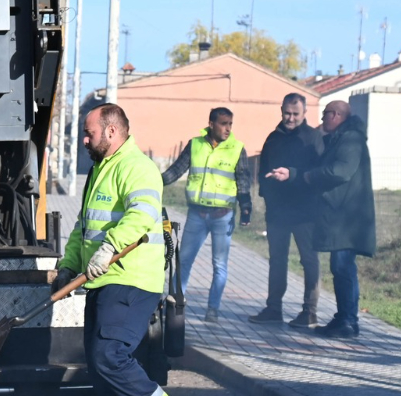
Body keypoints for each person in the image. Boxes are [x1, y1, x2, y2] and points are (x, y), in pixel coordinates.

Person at [57, 104, 189, 396]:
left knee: (110, 357)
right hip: (101, 279)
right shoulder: (101, 170)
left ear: (112, 132)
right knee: (103, 371)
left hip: (130, 278)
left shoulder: (138, 167)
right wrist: (68, 264)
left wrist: (110, 247)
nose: (85, 139)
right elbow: (85, 227)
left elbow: (142, 214)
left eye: (90, 133)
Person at [264, 99, 375, 337]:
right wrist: (294, 174)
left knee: (343, 268)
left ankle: (348, 320)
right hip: (339, 215)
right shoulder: (339, 139)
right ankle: (343, 317)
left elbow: (339, 171)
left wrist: (305, 177)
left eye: (325, 115)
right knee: (340, 267)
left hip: (347, 216)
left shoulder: (350, 139)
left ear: (335, 115)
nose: (322, 119)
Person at [160, 107, 253, 322]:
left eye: (230, 124)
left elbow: (243, 182)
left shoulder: (237, 149)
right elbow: (176, 171)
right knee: (184, 261)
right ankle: (175, 303)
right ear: (211, 124)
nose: (228, 128)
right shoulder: (195, 145)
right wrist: (154, 181)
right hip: (197, 215)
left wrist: (246, 208)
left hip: (223, 216)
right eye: (223, 123)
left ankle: (213, 309)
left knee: (219, 265)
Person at [252, 93, 324, 328]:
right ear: (281, 110)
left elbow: (318, 171)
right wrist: (266, 193)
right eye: (287, 113)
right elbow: (262, 168)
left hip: (305, 212)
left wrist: (293, 175)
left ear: (305, 114)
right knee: (277, 260)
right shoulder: (273, 138)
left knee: (309, 260)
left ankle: (309, 311)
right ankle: (274, 308)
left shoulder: (313, 138)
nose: (290, 118)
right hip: (278, 212)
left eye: (295, 114)